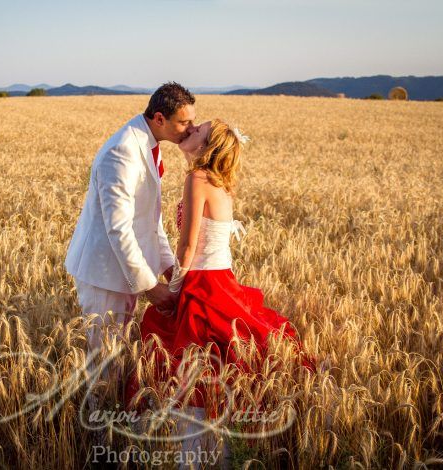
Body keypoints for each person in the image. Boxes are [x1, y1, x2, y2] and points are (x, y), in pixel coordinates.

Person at [123, 119, 315, 466]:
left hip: (203, 284)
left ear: (207, 147)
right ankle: (223, 455)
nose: (190, 128)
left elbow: (188, 245)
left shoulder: (196, 178)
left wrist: (174, 290)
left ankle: (191, 457)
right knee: (217, 364)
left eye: (198, 130)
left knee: (186, 356)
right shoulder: (220, 183)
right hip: (222, 279)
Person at [64, 82, 197, 387]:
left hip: (123, 271)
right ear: (160, 118)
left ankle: (113, 418)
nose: (190, 129)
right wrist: (152, 287)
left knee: (118, 353)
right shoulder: (123, 151)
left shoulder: (147, 143)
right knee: (103, 361)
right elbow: (119, 227)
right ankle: (98, 429)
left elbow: (150, 222)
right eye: (184, 122)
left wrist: (169, 268)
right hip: (104, 273)